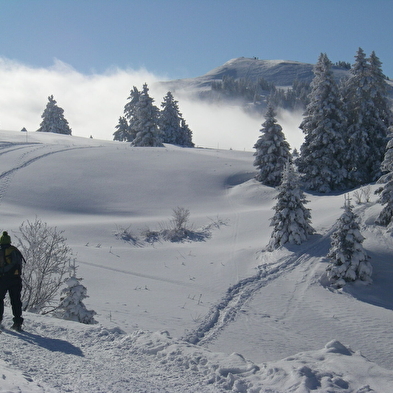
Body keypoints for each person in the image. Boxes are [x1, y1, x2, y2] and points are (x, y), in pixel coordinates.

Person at [0, 231, 24, 331]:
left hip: (3, 279)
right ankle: (17, 323)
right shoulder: (15, 250)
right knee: (16, 301)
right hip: (16, 279)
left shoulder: (1, 251)